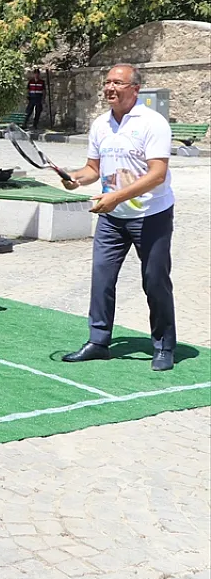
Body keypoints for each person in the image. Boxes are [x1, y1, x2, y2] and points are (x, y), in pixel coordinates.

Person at [61, 64, 176, 370]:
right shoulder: (100, 124)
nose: (109, 87)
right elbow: (93, 169)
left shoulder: (153, 123)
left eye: (117, 83)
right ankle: (98, 342)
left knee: (155, 281)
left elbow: (157, 175)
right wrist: (76, 178)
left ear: (134, 89)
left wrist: (114, 197)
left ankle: (164, 345)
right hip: (112, 218)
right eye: (107, 82)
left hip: (151, 215)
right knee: (101, 277)